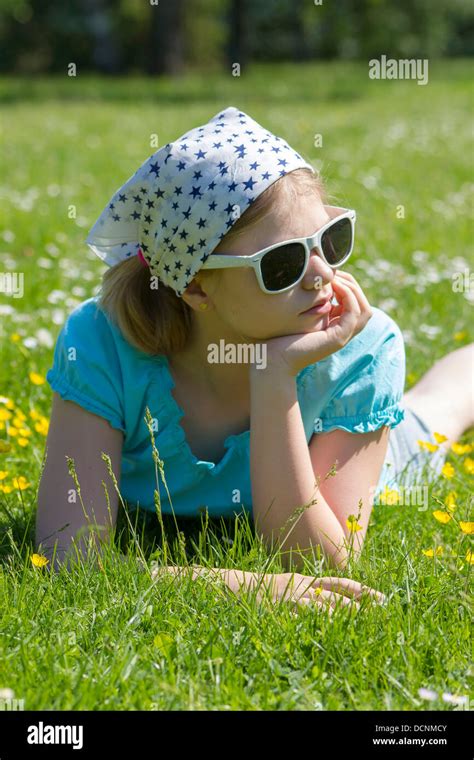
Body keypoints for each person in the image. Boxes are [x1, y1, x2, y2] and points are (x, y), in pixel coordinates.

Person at [36, 106, 473, 613]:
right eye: (282, 263)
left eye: (331, 241)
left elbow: (320, 563)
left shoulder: (359, 348)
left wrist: (275, 380)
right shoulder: (100, 344)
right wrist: (244, 584)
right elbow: (67, 558)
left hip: (346, 444)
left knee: (438, 411)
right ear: (197, 287)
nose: (321, 275)